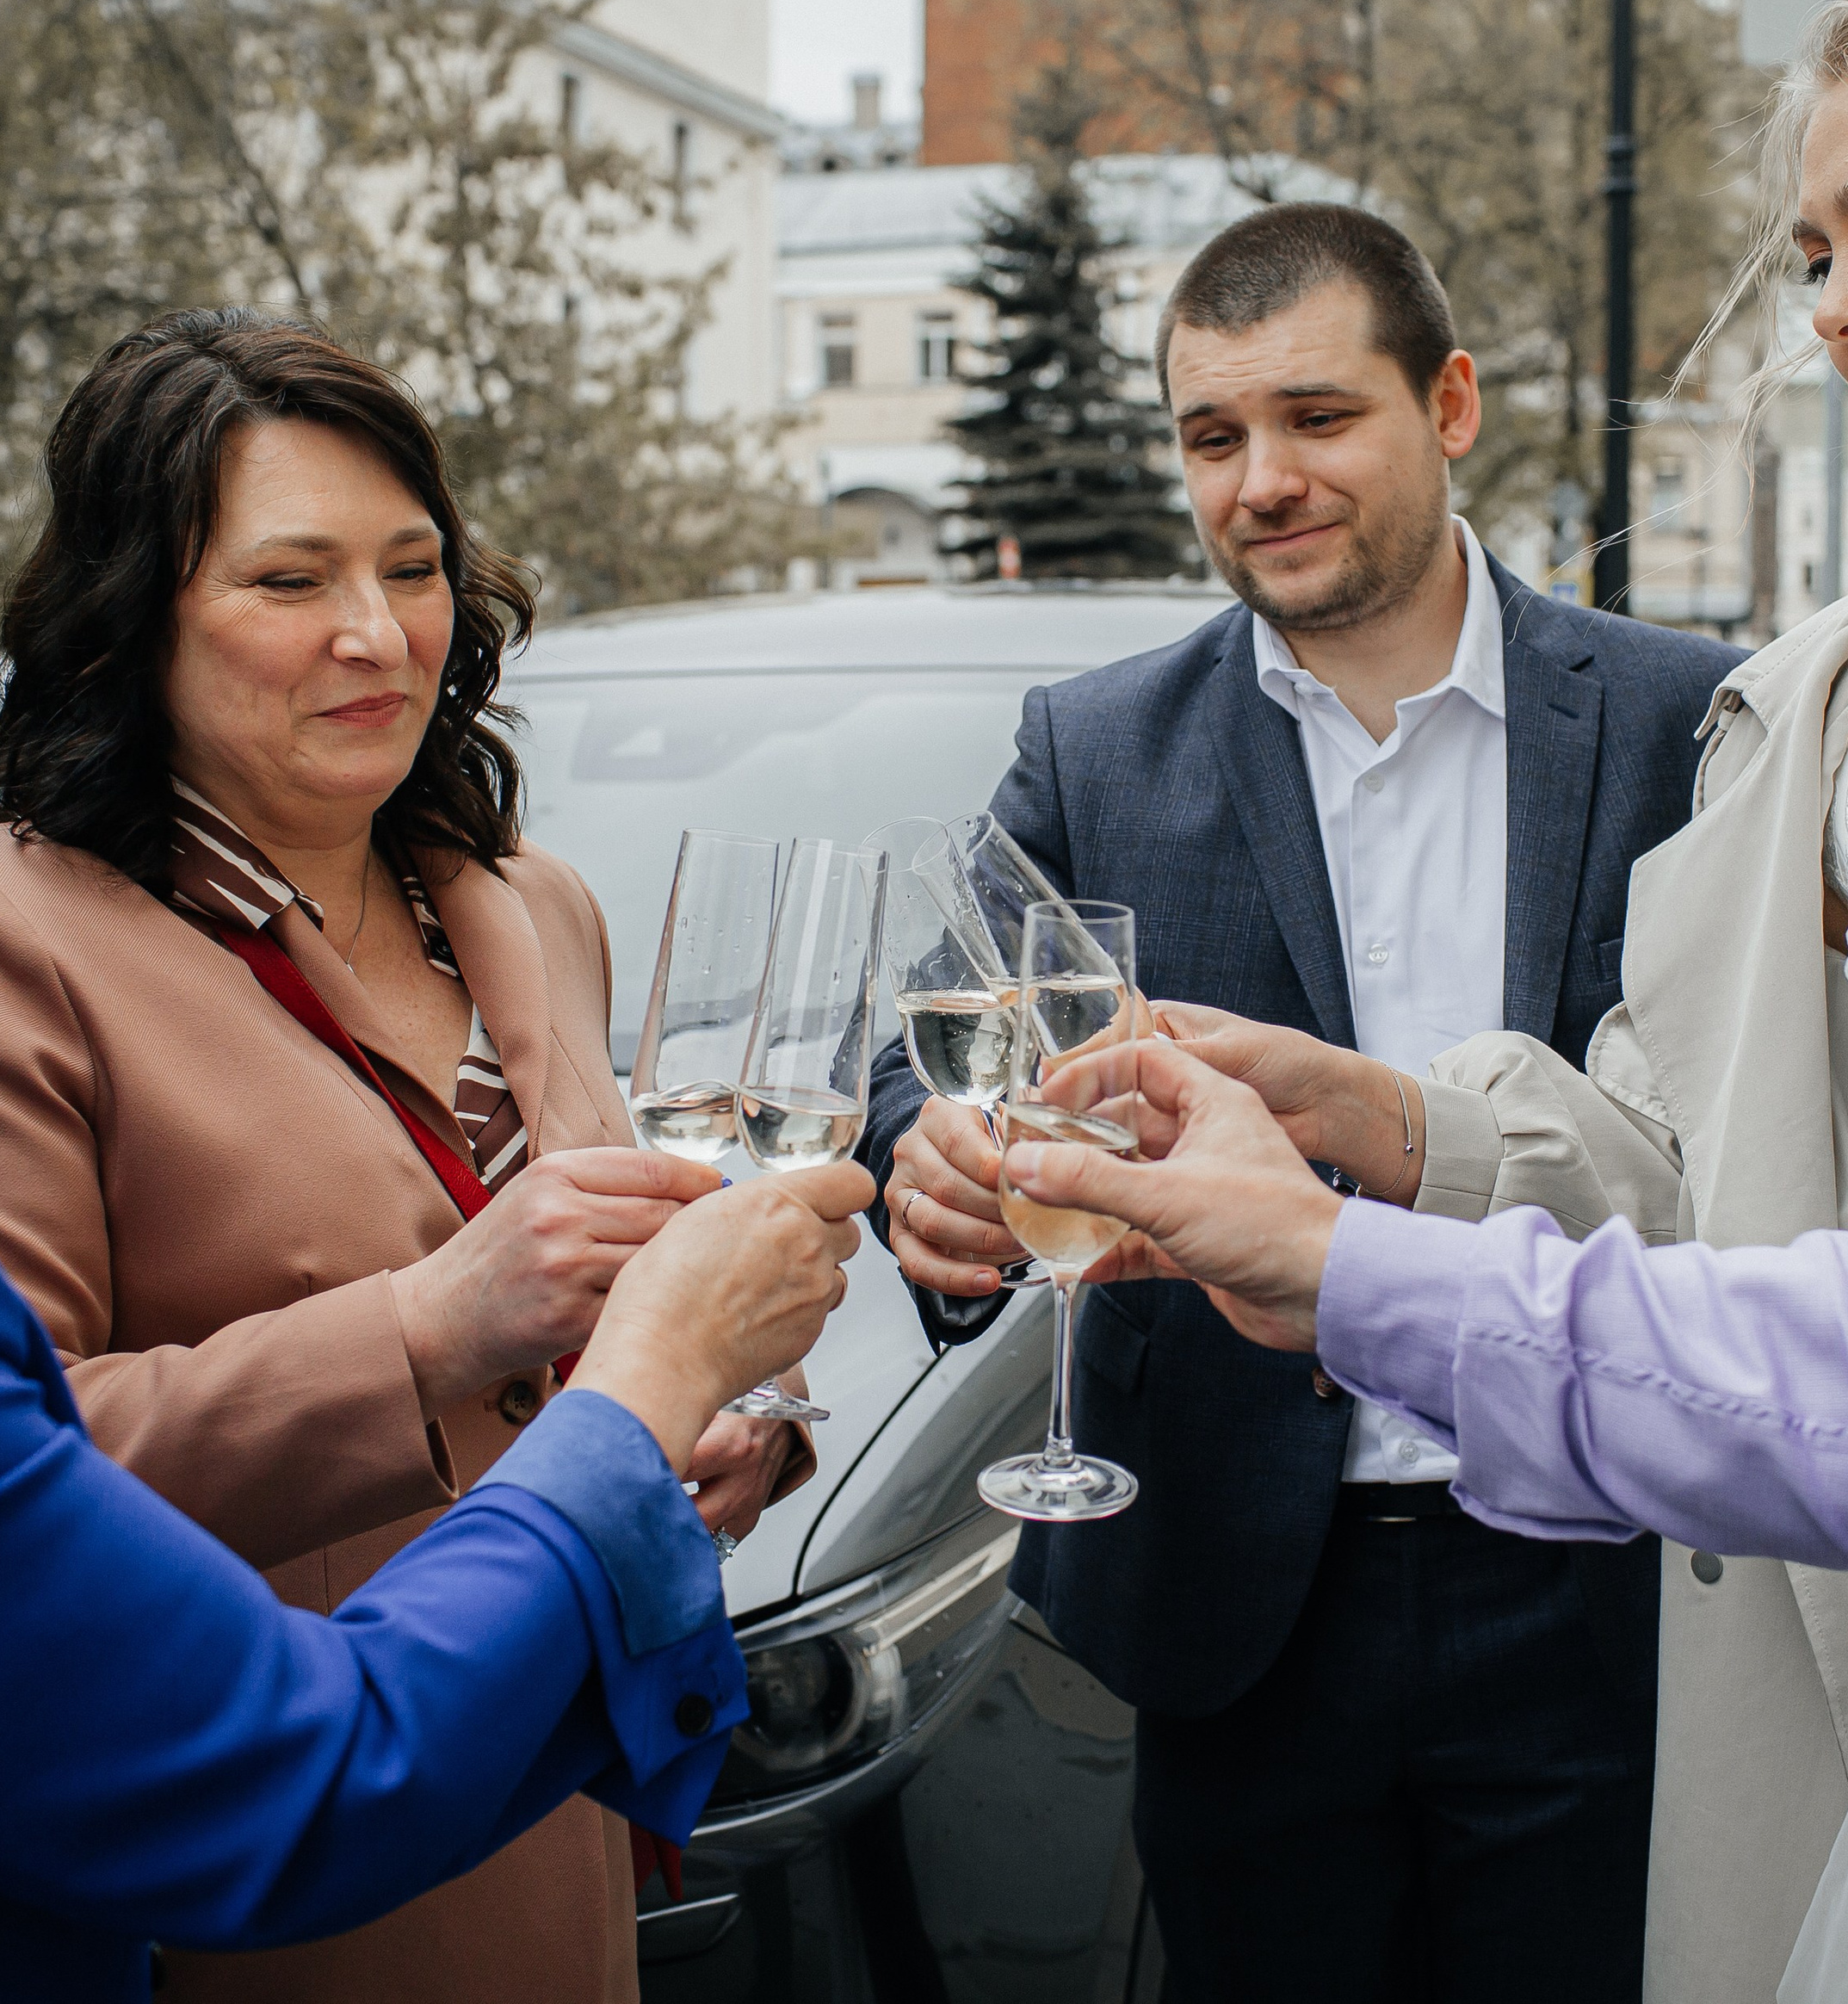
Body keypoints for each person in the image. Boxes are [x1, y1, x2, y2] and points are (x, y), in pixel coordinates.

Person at [995, 0, 1848, 2000]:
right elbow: (1711, 1174)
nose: (1832, 304)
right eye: (1811, 246)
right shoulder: (1806, 714)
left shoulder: (1662, 703)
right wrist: (1356, 1131)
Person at [863, 202, 1734, 2001]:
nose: (1258, 476)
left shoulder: (1680, 719)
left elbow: (1736, 1135)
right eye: (1209, 435)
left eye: (1317, 416)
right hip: (1238, 1594)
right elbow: (930, 1047)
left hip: (1592, 1565)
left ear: (1453, 403)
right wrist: (928, 1167)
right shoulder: (1092, 742)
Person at [0, 308, 807, 2002]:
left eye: (412, 564)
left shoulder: (531, 900)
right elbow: (40, 1467)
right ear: (131, 616)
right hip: (268, 1857)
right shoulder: (33, 940)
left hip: (548, 1799)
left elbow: (599, 1312)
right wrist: (431, 1324)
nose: (375, 633)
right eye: (290, 580)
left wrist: (690, 1425)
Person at [3, 1163, 867, 2003]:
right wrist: (656, 1377)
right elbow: (307, 1776)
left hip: (558, 1856)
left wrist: (734, 1358)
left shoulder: (558, 1006)